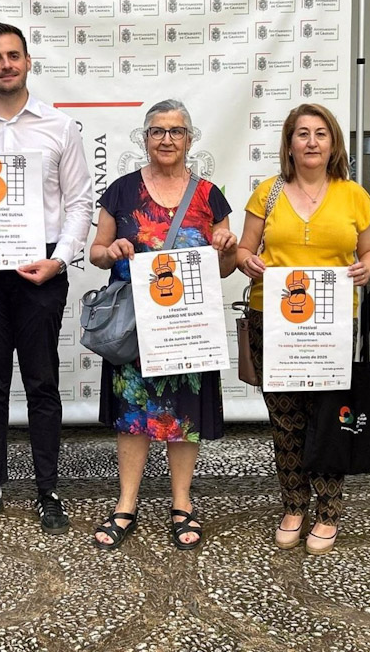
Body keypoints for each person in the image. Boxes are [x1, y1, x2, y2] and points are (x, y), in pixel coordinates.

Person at [0, 22, 92, 535]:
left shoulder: (59, 126)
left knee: (42, 381)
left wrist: (61, 259)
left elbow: (79, 204)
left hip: (40, 267)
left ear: (28, 62)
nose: (5, 64)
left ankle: (48, 489)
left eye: (13, 55)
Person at [88, 100, 237, 551]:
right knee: (133, 417)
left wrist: (228, 247)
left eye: (176, 131)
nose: (167, 139)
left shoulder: (210, 196)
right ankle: (126, 503)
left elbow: (226, 268)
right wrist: (111, 251)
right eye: (157, 131)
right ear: (145, 138)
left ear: (190, 139)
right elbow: (95, 252)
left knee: (183, 417)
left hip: (188, 328)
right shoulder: (120, 192)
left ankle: (181, 502)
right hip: (136, 327)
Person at [235, 102, 370, 555]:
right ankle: (294, 505)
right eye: (303, 134)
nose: (312, 141)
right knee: (286, 419)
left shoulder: (353, 195)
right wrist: (249, 262)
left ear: (333, 142)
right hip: (273, 320)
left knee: (329, 414)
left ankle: (328, 511)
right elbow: (243, 250)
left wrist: (367, 269)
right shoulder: (268, 192)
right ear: (290, 143)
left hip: (332, 322)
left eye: (321, 133)